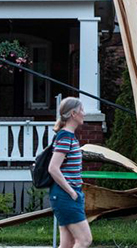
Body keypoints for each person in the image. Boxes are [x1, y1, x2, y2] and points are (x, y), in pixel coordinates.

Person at [47, 97, 92, 248]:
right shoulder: (65, 137)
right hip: (65, 196)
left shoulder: (68, 136)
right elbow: (53, 168)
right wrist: (72, 192)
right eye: (82, 110)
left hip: (65, 195)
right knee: (84, 240)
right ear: (73, 113)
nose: (84, 114)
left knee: (67, 244)